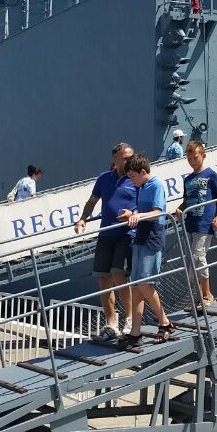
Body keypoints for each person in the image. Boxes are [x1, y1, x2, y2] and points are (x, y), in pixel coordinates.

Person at [75, 143, 138, 340]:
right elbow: (92, 201)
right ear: (115, 159)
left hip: (127, 232)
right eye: (126, 157)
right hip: (106, 233)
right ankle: (111, 324)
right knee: (103, 278)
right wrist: (83, 218)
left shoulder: (135, 178)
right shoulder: (104, 178)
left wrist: (134, 214)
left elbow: (144, 205)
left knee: (119, 274)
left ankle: (130, 319)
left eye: (131, 156)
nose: (130, 160)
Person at [117, 154, 175, 349]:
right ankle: (135, 333)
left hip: (152, 236)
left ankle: (165, 323)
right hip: (141, 236)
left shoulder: (156, 185)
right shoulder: (141, 187)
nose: (131, 180)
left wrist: (138, 215)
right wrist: (131, 215)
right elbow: (143, 214)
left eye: (132, 176)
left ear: (143, 172)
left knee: (145, 283)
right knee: (136, 286)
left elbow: (158, 212)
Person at [175, 140, 217, 309]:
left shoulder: (211, 175)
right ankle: (198, 297)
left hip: (204, 223)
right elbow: (187, 200)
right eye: (189, 158)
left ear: (203, 156)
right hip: (190, 223)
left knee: (199, 258)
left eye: (195, 158)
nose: (192, 161)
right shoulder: (188, 179)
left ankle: (207, 295)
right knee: (191, 263)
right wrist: (179, 209)